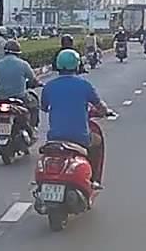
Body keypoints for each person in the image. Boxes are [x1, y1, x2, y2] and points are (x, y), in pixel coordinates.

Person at [42, 49, 111, 188]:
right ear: (77, 65)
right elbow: (100, 106)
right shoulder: (84, 85)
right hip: (80, 138)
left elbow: (44, 107)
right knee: (97, 141)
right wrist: (106, 111)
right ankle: (94, 180)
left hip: (54, 137)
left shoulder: (49, 86)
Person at [0, 39, 40, 128]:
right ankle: (33, 126)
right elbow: (33, 79)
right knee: (34, 103)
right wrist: (37, 83)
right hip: (20, 97)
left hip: (1, 98)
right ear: (18, 53)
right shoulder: (23, 64)